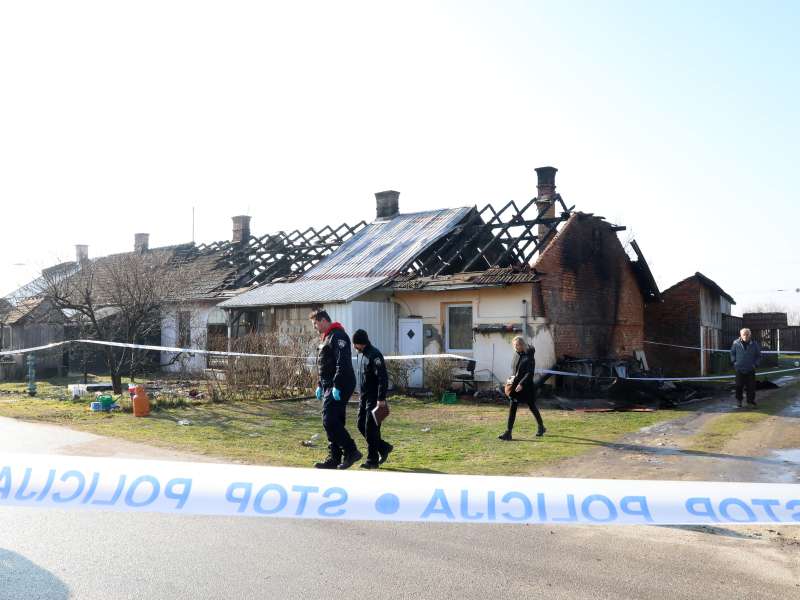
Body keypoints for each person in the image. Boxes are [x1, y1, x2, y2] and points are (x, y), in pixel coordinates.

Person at [310, 309, 361, 469]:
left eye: (315, 323)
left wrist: (337, 385)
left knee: (329, 419)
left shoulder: (338, 336)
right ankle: (335, 457)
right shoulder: (326, 338)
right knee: (335, 420)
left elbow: (342, 362)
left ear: (324, 320)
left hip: (341, 382)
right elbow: (325, 365)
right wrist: (320, 384)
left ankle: (351, 451)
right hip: (328, 384)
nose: (315, 327)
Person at [352, 329, 393, 469]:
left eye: (355, 344)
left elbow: (383, 378)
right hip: (363, 398)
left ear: (360, 343)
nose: (354, 347)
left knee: (371, 429)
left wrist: (381, 398)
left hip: (374, 399)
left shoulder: (374, 355)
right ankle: (383, 447)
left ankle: (372, 460)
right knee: (360, 425)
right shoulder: (361, 354)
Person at [498, 336, 545, 441]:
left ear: (522, 345)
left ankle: (541, 427)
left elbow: (529, 373)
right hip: (515, 386)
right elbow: (515, 371)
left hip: (527, 387)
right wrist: (511, 379)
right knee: (512, 408)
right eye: (514, 345)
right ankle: (508, 432)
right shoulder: (516, 354)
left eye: (518, 344)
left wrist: (521, 384)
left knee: (532, 406)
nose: (515, 346)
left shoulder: (529, 357)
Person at [730, 327, 761, 408]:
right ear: (741, 335)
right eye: (744, 334)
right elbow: (732, 353)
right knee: (739, 386)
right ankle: (739, 401)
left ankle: (750, 401)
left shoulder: (754, 344)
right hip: (739, 369)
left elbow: (758, 356)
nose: (745, 336)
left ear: (750, 335)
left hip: (750, 369)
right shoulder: (735, 343)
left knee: (751, 387)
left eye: (747, 334)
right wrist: (734, 362)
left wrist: (755, 364)